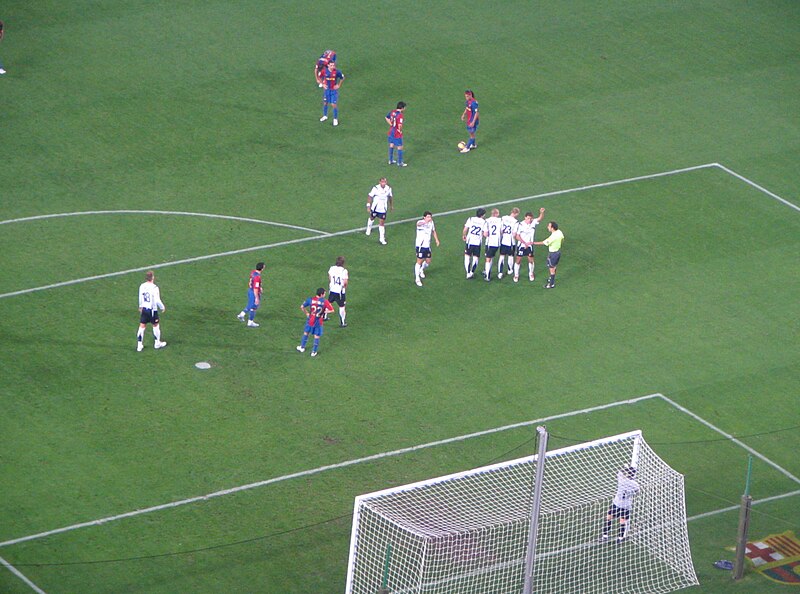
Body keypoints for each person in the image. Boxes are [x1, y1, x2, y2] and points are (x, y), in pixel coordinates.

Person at [601, 467, 640, 543]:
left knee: (608, 517)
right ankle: (620, 538)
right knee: (622, 521)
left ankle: (605, 536)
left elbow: (619, 471)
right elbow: (637, 492)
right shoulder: (635, 485)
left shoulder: (621, 480)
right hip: (626, 505)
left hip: (617, 503)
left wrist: (625, 468)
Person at [297, 288, 335, 357]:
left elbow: (302, 307)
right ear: (321, 294)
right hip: (318, 321)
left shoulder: (310, 299)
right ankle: (313, 352)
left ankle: (302, 347)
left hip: (310, 319)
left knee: (306, 333)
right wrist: (325, 312)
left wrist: (307, 313)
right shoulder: (325, 302)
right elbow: (332, 310)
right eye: (324, 294)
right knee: (316, 336)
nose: (324, 295)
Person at [513, 208, 546, 283]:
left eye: (531, 218)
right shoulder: (520, 224)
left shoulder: (533, 222)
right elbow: (517, 236)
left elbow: (540, 218)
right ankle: (516, 275)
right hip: (522, 245)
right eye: (528, 218)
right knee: (518, 260)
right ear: (525, 217)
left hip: (530, 245)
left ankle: (531, 274)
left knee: (530, 260)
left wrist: (541, 212)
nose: (530, 220)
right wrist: (525, 243)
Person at [137, 271, 166, 351]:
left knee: (142, 326)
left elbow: (140, 296)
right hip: (152, 311)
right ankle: (157, 343)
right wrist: (162, 307)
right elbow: (157, 300)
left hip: (144, 309)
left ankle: (139, 345)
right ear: (153, 277)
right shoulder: (154, 288)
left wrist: (140, 306)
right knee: (155, 326)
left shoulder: (142, 286)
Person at [534, 221, 565, 289]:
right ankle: (551, 279)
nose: (547, 227)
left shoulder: (553, 237)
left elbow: (544, 243)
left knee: (551, 269)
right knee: (554, 266)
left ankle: (551, 284)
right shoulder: (559, 232)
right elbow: (562, 239)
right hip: (558, 252)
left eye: (549, 226)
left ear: (552, 228)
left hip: (553, 254)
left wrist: (533, 243)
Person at [414, 211, 440, 286]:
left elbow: (433, 231)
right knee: (419, 261)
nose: (430, 218)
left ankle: (421, 270)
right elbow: (418, 224)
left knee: (428, 261)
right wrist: (425, 222)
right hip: (420, 246)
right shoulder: (420, 222)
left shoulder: (431, 223)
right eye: (428, 217)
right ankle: (417, 279)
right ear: (424, 217)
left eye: (430, 217)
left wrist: (436, 240)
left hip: (427, 246)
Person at [366, 177, 393, 245]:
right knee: (372, 218)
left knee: (382, 223)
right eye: (382, 182)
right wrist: (368, 205)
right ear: (379, 182)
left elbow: (390, 197)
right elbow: (370, 196)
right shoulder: (375, 188)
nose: (383, 183)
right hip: (375, 208)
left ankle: (381, 238)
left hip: (383, 209)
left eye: (385, 182)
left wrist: (391, 206)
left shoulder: (388, 188)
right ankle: (369, 228)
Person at [237, 262, 265, 327]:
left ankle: (245, 318)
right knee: (253, 307)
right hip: (254, 292)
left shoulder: (253, 272)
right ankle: (246, 319)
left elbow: (253, 282)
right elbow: (255, 288)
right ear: (262, 268)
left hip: (250, 290)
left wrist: (260, 287)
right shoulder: (257, 277)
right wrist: (257, 298)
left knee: (251, 306)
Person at [462, 208, 487, 279]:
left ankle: (468, 273)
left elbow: (465, 229)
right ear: (482, 215)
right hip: (477, 243)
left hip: (469, 242)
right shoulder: (484, 222)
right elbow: (485, 233)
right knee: (476, 258)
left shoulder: (470, 219)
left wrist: (464, 235)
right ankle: (472, 272)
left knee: (467, 257)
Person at [319, 61, 344, 126]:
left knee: (333, 104)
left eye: (333, 65)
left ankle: (335, 119)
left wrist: (339, 85)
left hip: (333, 91)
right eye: (331, 65)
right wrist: (322, 84)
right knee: (325, 103)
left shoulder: (337, 72)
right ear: (328, 65)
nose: (333, 67)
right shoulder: (324, 71)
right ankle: (325, 116)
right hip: (327, 90)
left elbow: (342, 78)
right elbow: (320, 77)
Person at [498, 207, 520, 279]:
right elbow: (514, 234)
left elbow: (500, 230)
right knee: (510, 256)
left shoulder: (503, 218)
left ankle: (500, 272)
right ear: (516, 213)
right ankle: (510, 270)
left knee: (501, 256)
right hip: (511, 242)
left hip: (503, 241)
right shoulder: (516, 222)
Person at [328, 256, 349, 327]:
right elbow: (345, 282)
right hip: (340, 292)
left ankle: (324, 316)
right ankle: (342, 322)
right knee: (342, 306)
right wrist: (344, 288)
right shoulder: (344, 271)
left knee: (328, 303)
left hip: (332, 289)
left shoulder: (332, 268)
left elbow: (330, 278)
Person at [482, 208, 503, 281]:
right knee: (491, 257)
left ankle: (487, 275)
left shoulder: (486, 220)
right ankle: (487, 271)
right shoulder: (500, 220)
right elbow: (501, 231)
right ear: (496, 214)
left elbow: (485, 234)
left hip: (489, 242)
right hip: (496, 243)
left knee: (488, 258)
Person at [385, 101, 407, 167]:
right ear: (402, 108)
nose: (405, 109)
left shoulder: (392, 112)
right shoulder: (400, 115)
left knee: (391, 144)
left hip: (391, 131)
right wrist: (400, 131)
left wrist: (391, 124)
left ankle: (390, 160)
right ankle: (400, 162)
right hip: (397, 133)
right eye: (404, 108)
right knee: (400, 147)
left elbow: (386, 117)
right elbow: (400, 125)